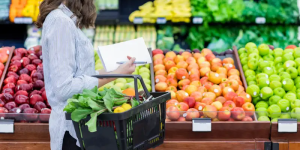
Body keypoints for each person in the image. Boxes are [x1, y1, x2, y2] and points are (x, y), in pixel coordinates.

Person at [36, 1, 136, 150]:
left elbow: (82, 76)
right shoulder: (60, 22)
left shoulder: (66, 19)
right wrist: (114, 76)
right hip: (70, 131)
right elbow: (64, 88)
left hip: (80, 128)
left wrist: (117, 70)